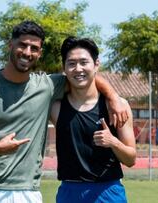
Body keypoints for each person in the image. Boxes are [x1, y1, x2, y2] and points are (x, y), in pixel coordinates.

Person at [0, 21, 129, 203]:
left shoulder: (46, 86)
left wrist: (113, 97)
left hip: (29, 192)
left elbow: (85, 77)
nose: (27, 52)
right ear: (10, 45)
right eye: (22, 45)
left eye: (34, 48)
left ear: (39, 53)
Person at [49, 36, 136, 203]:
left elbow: (131, 159)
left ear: (96, 64)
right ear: (64, 68)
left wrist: (113, 142)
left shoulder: (118, 107)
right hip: (70, 192)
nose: (78, 69)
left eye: (84, 62)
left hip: (108, 192)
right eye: (72, 63)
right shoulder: (55, 107)